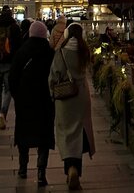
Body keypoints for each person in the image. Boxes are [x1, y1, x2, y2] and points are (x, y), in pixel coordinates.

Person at [50, 24, 95, 191]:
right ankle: (77, 170)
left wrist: (51, 92)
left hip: (65, 97)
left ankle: (70, 168)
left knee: (66, 134)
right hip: (81, 96)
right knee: (79, 133)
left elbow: (54, 76)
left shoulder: (61, 52)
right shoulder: (84, 50)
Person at [10, 20, 54, 187]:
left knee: (23, 134)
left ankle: (22, 168)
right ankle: (41, 171)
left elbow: (12, 77)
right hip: (45, 101)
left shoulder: (22, 51)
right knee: (44, 136)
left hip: (25, 101)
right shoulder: (50, 53)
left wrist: (17, 96)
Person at [0, 6, 21, 128]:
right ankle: (3, 112)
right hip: (10, 63)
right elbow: (19, 46)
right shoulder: (14, 28)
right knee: (8, 90)